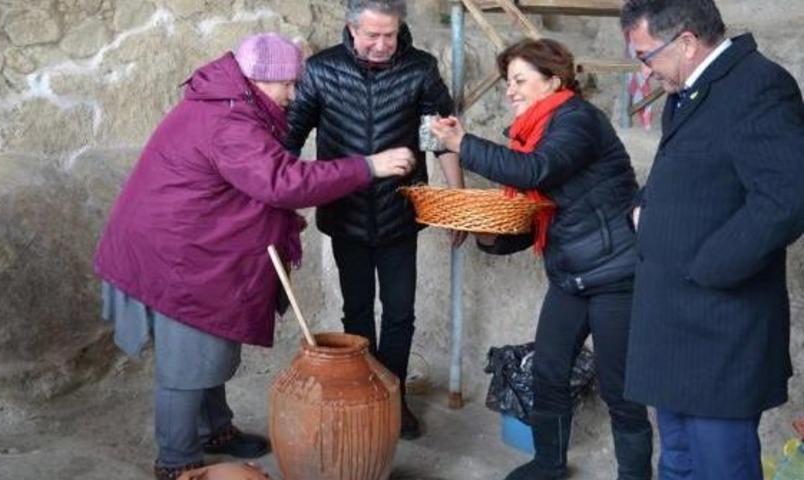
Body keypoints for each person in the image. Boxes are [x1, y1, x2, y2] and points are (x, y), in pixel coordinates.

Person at [93, 32, 415, 480]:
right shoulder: (230, 121)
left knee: (209, 342)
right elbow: (281, 182)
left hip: (190, 246)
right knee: (186, 363)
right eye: (288, 83)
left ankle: (216, 432)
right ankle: (176, 461)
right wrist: (368, 166)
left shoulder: (230, 103)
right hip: (175, 257)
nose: (292, 94)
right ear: (261, 79)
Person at [431, 39, 653, 480]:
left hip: (615, 274)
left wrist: (461, 142)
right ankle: (548, 463)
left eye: (519, 80)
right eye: (507, 82)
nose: (510, 91)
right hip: (571, 275)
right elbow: (537, 216)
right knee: (549, 372)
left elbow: (535, 172)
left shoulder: (578, 121)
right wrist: (490, 237)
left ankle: (635, 475)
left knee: (620, 388)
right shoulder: (534, 133)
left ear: (553, 81)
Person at [619, 1, 804, 478]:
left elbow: (787, 198)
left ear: (685, 41)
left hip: (718, 325)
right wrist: (646, 206)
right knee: (678, 459)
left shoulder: (758, 86)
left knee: (720, 465)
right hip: (676, 323)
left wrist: (708, 268)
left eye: (646, 56)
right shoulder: (690, 89)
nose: (645, 70)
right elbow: (693, 170)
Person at [284, 0, 465, 440]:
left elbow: (439, 140)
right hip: (344, 212)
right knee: (358, 310)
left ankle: (394, 396)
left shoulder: (420, 69)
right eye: (372, 36)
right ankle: (365, 391)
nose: (383, 44)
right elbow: (288, 139)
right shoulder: (322, 70)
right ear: (351, 27)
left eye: (390, 34)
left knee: (400, 312)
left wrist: (457, 201)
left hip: (400, 211)